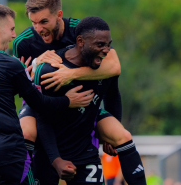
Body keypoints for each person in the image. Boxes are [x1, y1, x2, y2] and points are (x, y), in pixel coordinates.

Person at [0, 3, 94, 185]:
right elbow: (40, 103)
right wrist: (67, 101)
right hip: (9, 151)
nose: (13, 35)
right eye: (11, 29)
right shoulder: (9, 63)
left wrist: (18, 81)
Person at [21, 16, 146, 185]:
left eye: (109, 45)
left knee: (123, 135)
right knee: (26, 132)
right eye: (100, 45)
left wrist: (109, 138)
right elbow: (43, 118)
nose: (107, 50)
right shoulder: (51, 70)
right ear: (80, 41)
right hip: (49, 151)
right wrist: (55, 159)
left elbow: (112, 95)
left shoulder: (106, 67)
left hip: (84, 151)